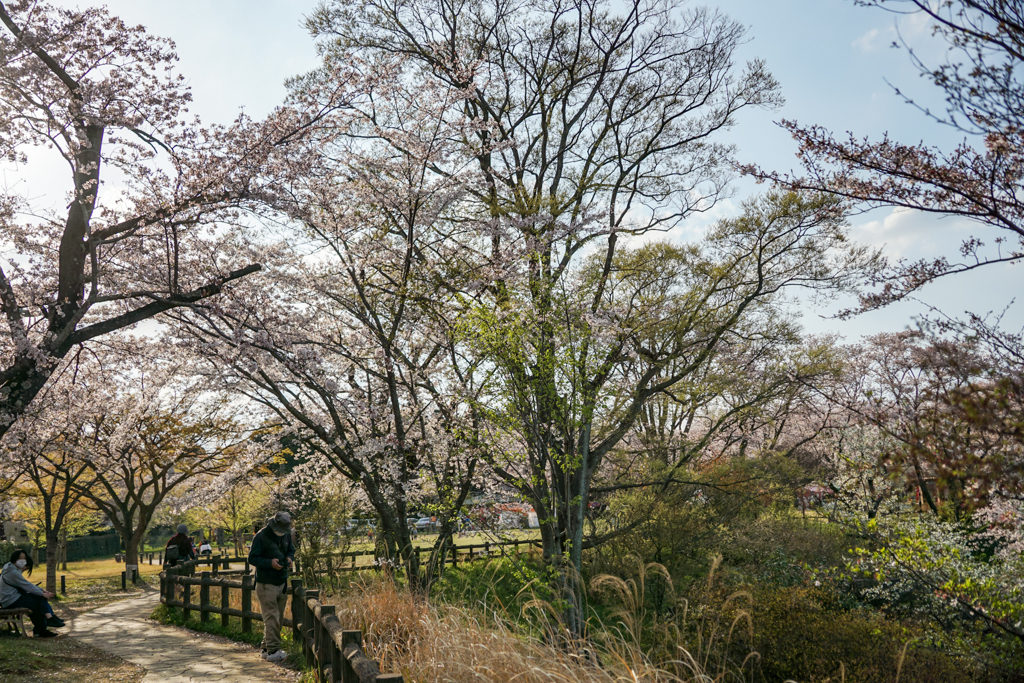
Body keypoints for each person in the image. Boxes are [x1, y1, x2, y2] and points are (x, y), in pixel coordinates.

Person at [248, 511, 295, 663]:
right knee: (271, 617)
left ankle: (265, 648)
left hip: (281, 581)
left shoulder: (286, 535)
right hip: (265, 582)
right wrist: (270, 563)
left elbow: (291, 550)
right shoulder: (261, 536)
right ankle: (273, 650)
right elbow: (252, 558)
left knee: (278, 618)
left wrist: (289, 558)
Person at [1, 550, 64, 637]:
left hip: (11, 598)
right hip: (10, 601)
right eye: (20, 558)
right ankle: (47, 622)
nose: (22, 561)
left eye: (24, 558)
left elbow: (26, 585)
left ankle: (44, 625)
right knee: (39, 600)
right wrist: (42, 594)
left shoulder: (10, 568)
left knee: (38, 601)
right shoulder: (12, 572)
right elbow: (27, 585)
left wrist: (42, 591)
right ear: (14, 559)